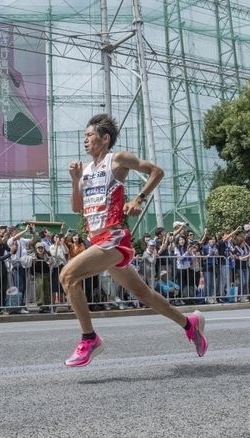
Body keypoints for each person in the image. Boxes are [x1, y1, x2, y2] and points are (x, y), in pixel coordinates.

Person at [58, 114, 207, 367]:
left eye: (90, 135)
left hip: (114, 238)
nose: (85, 140)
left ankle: (89, 338)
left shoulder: (117, 160)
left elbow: (156, 172)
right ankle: (189, 323)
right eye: (83, 136)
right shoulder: (83, 169)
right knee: (144, 294)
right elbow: (77, 207)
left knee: (67, 276)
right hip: (97, 242)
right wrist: (75, 181)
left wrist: (139, 197)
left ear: (104, 139)